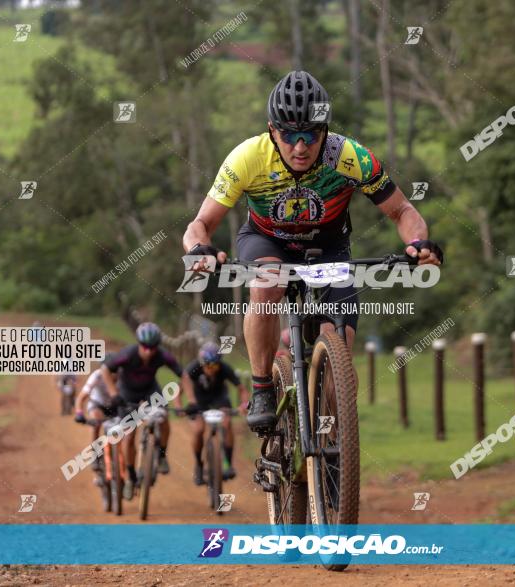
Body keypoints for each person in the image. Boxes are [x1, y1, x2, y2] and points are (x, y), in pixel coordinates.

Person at [182, 70, 443, 434]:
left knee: (341, 351)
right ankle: (261, 389)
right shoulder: (247, 157)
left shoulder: (350, 156)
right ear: (272, 130)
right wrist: (199, 249)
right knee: (266, 285)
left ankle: (331, 448)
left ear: (326, 131)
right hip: (267, 240)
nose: (300, 146)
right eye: (289, 134)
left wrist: (417, 243)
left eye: (311, 134)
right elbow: (200, 223)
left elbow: (402, 211)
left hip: (329, 247)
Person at [100, 322, 183, 500]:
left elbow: (183, 374)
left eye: (152, 347)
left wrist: (187, 400)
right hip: (127, 392)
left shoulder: (162, 356)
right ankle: (130, 477)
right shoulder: (127, 355)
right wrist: (114, 394)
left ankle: (161, 455)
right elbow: (105, 369)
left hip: (150, 390)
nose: (148, 351)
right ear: (139, 343)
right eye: (144, 346)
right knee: (129, 437)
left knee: (163, 417)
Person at [178, 342, 249, 485]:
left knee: (227, 422)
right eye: (208, 365)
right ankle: (198, 464)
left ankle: (228, 463)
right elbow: (178, 392)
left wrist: (243, 405)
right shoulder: (193, 368)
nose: (211, 369)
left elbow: (242, 389)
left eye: (215, 366)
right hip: (199, 400)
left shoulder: (224, 368)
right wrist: (180, 408)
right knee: (198, 430)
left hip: (219, 398)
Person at [74, 363, 118, 473]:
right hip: (97, 404)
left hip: (113, 406)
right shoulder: (96, 376)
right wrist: (79, 413)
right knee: (96, 423)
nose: (111, 374)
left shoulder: (122, 376)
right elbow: (81, 398)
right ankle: (95, 455)